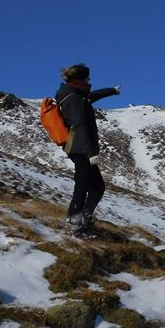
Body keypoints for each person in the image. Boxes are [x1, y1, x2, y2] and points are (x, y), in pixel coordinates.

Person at [56, 64, 121, 230]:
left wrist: (111, 91)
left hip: (78, 146)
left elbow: (90, 97)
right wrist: (91, 152)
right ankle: (76, 218)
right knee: (88, 184)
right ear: (80, 79)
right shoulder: (73, 98)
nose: (89, 81)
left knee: (92, 184)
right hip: (79, 147)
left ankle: (82, 218)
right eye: (87, 78)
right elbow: (80, 125)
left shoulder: (74, 94)